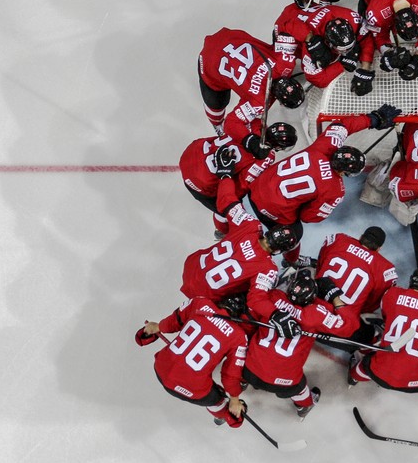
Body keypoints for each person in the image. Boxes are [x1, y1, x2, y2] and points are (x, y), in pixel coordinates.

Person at [246, 104, 401, 267]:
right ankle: (292, 260)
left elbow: (344, 125)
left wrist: (374, 118)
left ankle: (226, 221)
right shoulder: (335, 190)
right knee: (295, 234)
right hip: (269, 210)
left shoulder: (325, 145)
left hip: (255, 187)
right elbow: (308, 217)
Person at [178, 155, 300, 303]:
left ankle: (222, 233)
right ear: (278, 251)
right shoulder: (268, 268)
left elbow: (227, 201)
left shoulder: (250, 225)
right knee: (257, 292)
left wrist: (225, 174)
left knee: (224, 215)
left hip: (192, 265)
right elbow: (256, 301)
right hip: (206, 298)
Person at [243, 270, 358, 419]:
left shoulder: (273, 297)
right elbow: (350, 326)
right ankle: (304, 405)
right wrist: (334, 296)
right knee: (299, 387)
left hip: (249, 370)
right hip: (284, 383)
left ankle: (241, 383)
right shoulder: (316, 314)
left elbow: (254, 307)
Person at [134, 294, 250, 428]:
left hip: (161, 369)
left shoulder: (200, 303)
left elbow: (174, 321)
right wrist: (234, 400)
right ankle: (221, 413)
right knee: (218, 398)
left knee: (193, 378)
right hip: (192, 389)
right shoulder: (239, 337)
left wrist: (158, 327)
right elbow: (231, 375)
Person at [348, 268, 418, 403]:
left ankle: (354, 377)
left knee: (367, 362)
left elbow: (386, 316)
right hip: (416, 382)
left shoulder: (391, 294)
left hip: (380, 374)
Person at [179, 124, 297, 240]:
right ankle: (221, 231)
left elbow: (233, 122)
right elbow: (242, 185)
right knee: (225, 206)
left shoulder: (252, 125)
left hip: (192, 153)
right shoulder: (267, 157)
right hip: (200, 183)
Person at [197, 28, 304, 139]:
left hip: (230, 37)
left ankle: (217, 123)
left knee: (216, 101)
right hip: (209, 60)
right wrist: (248, 141)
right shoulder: (258, 102)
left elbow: (286, 31)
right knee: (216, 104)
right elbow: (232, 122)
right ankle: (218, 125)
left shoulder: (285, 63)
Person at [315, 226, 399, 346]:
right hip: (338, 329)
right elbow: (372, 304)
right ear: (379, 249)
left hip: (309, 313)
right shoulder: (385, 269)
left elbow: (320, 264)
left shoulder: (338, 239)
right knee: (369, 331)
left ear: (360, 237)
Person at [273, 2, 365, 89]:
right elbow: (317, 79)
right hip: (283, 25)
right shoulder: (311, 47)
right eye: (341, 50)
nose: (346, 52)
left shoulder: (352, 18)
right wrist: (342, 64)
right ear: (327, 42)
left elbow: (366, 34)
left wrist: (365, 66)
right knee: (284, 67)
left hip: (300, 12)